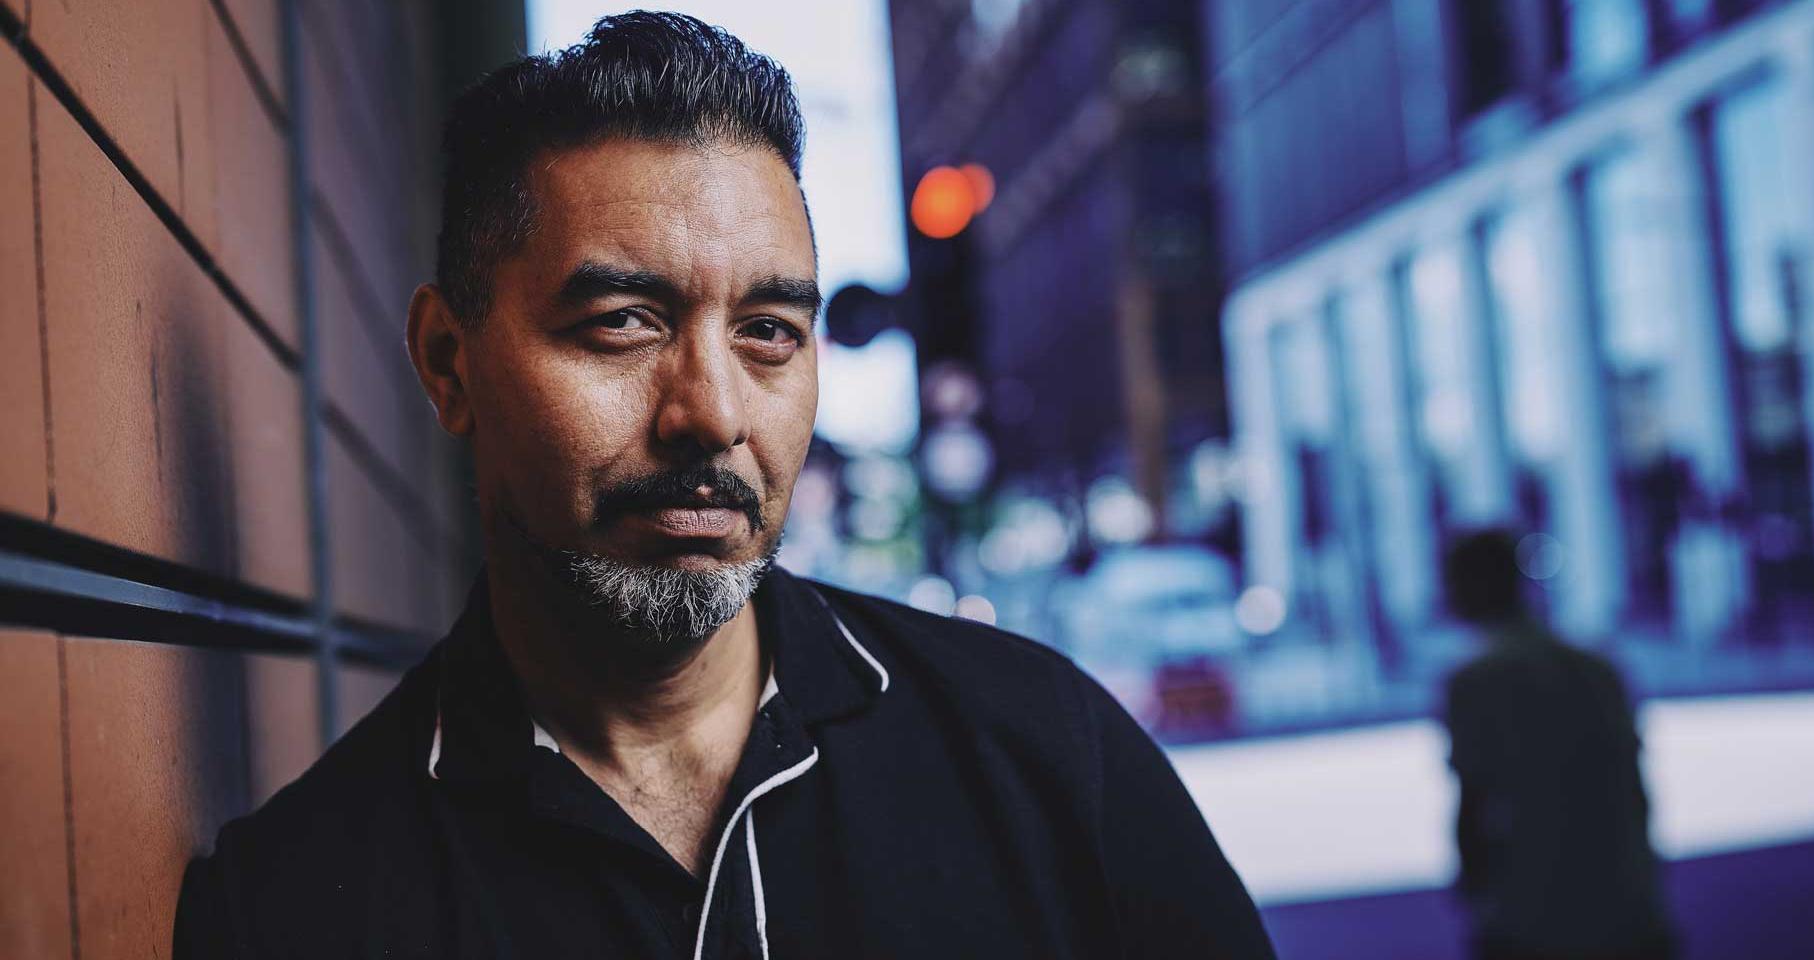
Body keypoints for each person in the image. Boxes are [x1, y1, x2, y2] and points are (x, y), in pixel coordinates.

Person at [172, 12, 1272, 959]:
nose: (713, 412)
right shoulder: (294, 909)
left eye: (768, 333)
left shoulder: (1047, 757)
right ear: (449, 364)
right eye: (622, 324)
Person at [1440, 530, 1675, 960]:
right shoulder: (1599, 668)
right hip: (1627, 907)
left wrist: (1478, 902)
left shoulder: (1474, 683)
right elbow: (1636, 790)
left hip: (1532, 916)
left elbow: (1473, 807)